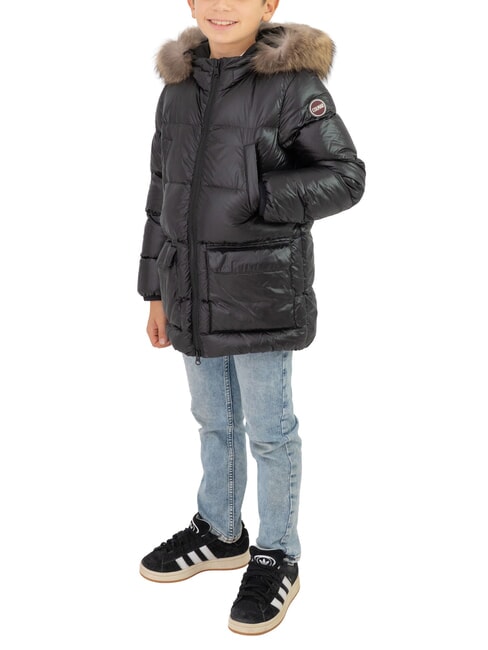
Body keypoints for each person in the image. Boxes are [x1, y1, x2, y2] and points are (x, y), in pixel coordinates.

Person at [137, 0, 365, 635]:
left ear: (269, 3)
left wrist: (257, 193)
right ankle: (220, 531)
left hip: (261, 290)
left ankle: (278, 553)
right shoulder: (178, 88)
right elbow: (160, 192)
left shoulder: (291, 84)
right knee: (213, 421)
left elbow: (346, 176)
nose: (221, 6)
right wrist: (155, 290)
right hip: (189, 288)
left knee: (269, 431)